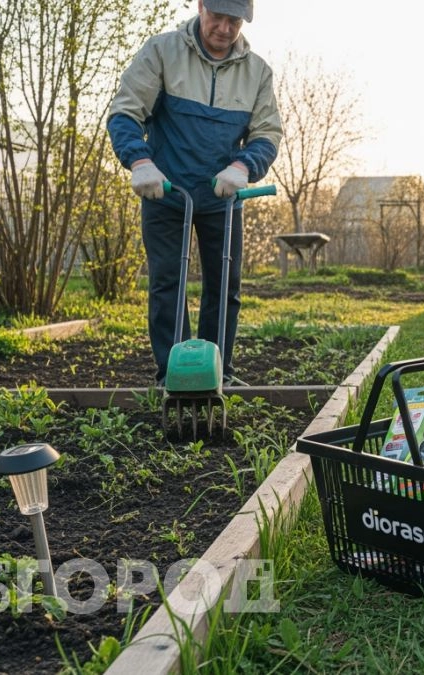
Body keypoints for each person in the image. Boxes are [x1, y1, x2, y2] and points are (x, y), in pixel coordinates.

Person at [107, 0, 282, 386]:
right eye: (217, 17)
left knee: (225, 286)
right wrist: (139, 161)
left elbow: (268, 133)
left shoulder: (256, 72)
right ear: (201, 6)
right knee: (168, 282)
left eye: (233, 21)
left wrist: (243, 167)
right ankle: (173, 374)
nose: (223, 28)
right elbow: (125, 112)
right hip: (166, 190)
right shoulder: (162, 51)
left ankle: (219, 371)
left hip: (222, 194)